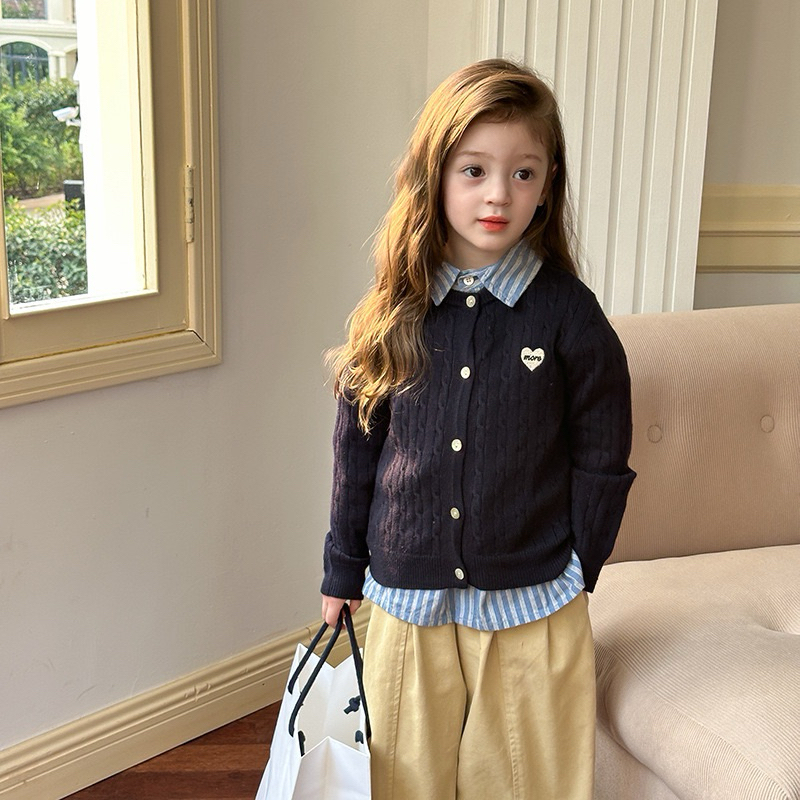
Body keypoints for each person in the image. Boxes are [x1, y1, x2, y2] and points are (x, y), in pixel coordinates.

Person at [320, 58, 636, 800]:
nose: (499, 194)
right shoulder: (391, 310)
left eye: (524, 173)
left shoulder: (568, 314)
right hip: (406, 601)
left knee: (530, 784)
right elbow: (355, 453)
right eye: (474, 170)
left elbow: (602, 454)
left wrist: (578, 567)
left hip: (534, 605)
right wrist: (341, 570)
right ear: (434, 175)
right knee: (399, 781)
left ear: (548, 185)